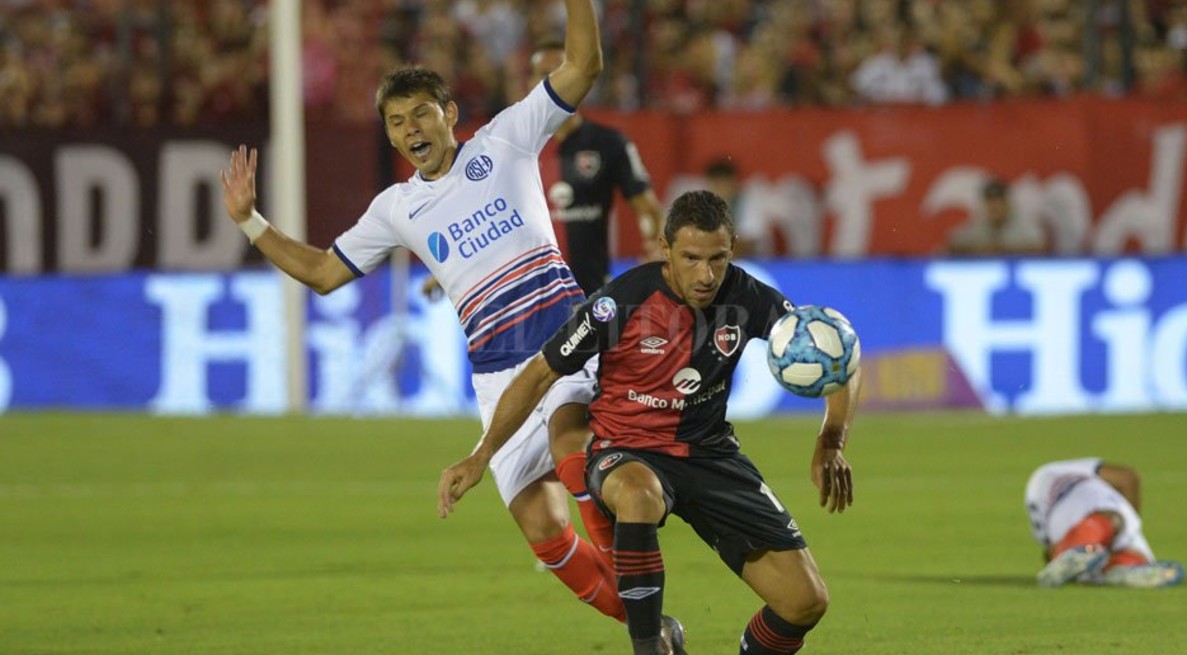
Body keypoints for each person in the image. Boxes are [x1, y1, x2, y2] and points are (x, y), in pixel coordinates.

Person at [218, 0, 671, 640]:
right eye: (397, 123)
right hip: (494, 376)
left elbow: (584, 63)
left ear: (449, 115)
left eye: (421, 114)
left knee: (574, 450)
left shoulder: (506, 140)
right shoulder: (396, 208)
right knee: (544, 532)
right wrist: (249, 221)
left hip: (563, 341)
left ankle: (645, 633)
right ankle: (654, 624)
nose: (410, 130)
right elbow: (324, 273)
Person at [439, 190, 862, 655]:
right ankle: (649, 645)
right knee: (638, 495)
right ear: (665, 249)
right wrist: (481, 455)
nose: (705, 275)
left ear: (732, 249)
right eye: (691, 258)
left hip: (709, 453)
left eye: (718, 259)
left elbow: (834, 354)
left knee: (805, 602)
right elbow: (541, 371)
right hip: (626, 450)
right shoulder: (620, 302)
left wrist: (831, 439)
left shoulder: (748, 296)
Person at [530, 39, 665, 296]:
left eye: (561, 72)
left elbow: (648, 208)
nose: (551, 83)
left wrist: (655, 246)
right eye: (542, 75)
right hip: (533, 301)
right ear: (529, 83)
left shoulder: (609, 143)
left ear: (578, 80)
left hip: (592, 295)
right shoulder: (516, 147)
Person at [1026, 458, 1186, 588]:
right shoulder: (1054, 474)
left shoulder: (1046, 478)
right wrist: (1129, 521)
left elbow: (1049, 549)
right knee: (1119, 527)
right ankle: (1122, 565)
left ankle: (1091, 560)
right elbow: (1127, 478)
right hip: (1070, 503)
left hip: (1061, 520)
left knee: (1106, 534)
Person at [946, 177, 1045, 256]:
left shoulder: (1022, 225)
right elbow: (954, 245)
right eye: (990, 203)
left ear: (1007, 203)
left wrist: (1002, 251)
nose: (994, 208)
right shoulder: (978, 224)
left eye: (998, 203)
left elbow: (1038, 247)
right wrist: (980, 251)